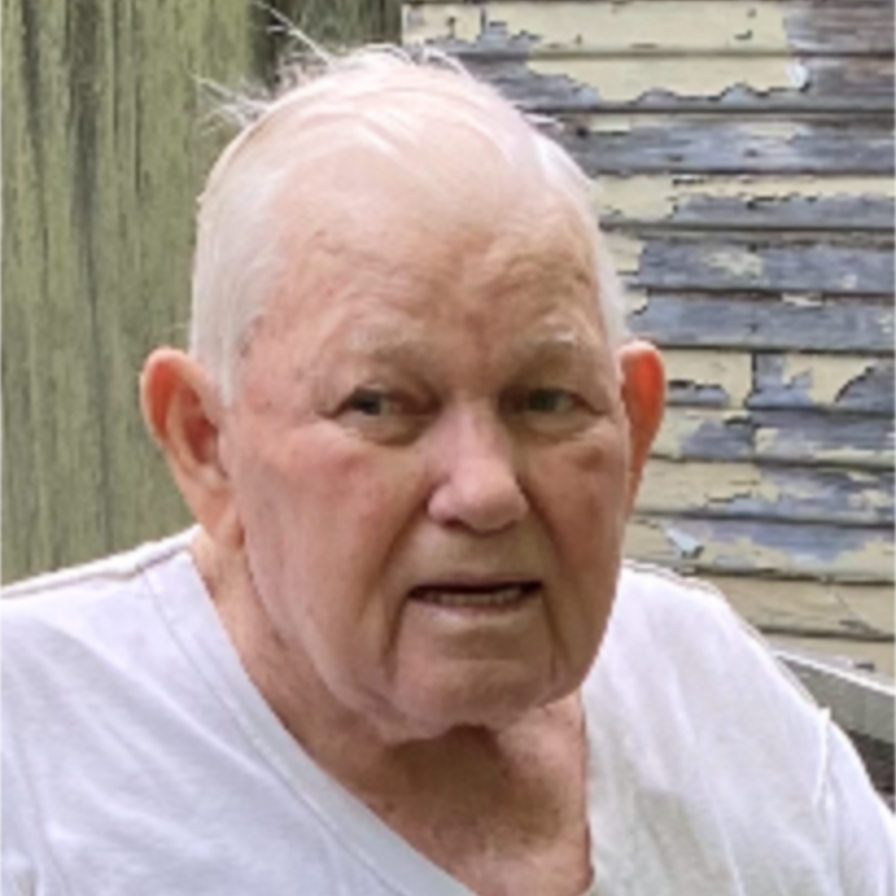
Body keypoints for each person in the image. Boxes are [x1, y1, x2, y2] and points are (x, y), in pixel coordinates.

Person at [0, 45, 893, 896]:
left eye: (547, 400)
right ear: (206, 443)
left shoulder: (710, 695)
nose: (487, 490)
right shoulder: (33, 766)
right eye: (380, 404)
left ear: (634, 425)